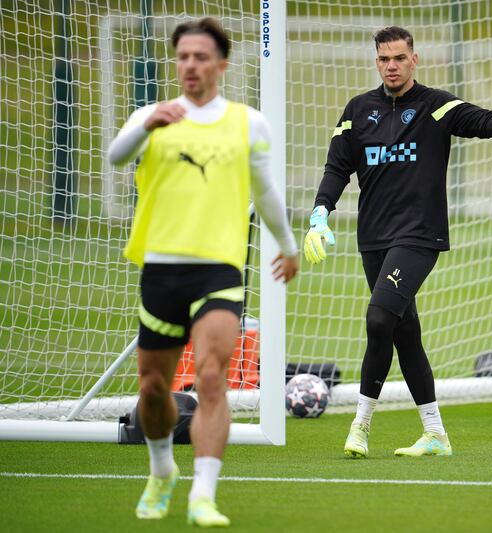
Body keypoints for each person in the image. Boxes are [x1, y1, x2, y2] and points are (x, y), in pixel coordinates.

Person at [303, 26, 492, 459]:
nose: (392, 66)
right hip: (373, 240)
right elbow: (336, 167)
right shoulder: (358, 110)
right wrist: (320, 212)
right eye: (384, 59)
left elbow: (484, 121)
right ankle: (435, 434)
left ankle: (360, 425)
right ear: (376, 61)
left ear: (414, 59)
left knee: (380, 319)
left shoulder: (437, 106)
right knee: (404, 332)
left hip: (419, 236)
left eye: (399, 58)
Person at [108, 17, 298, 527]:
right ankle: (162, 468)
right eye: (183, 56)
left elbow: (266, 191)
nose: (189, 65)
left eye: (200, 56)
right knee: (153, 389)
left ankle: (203, 495)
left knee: (212, 378)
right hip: (161, 269)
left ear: (220, 65)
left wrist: (287, 244)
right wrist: (147, 126)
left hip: (220, 268)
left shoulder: (248, 122)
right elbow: (114, 156)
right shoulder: (153, 115)